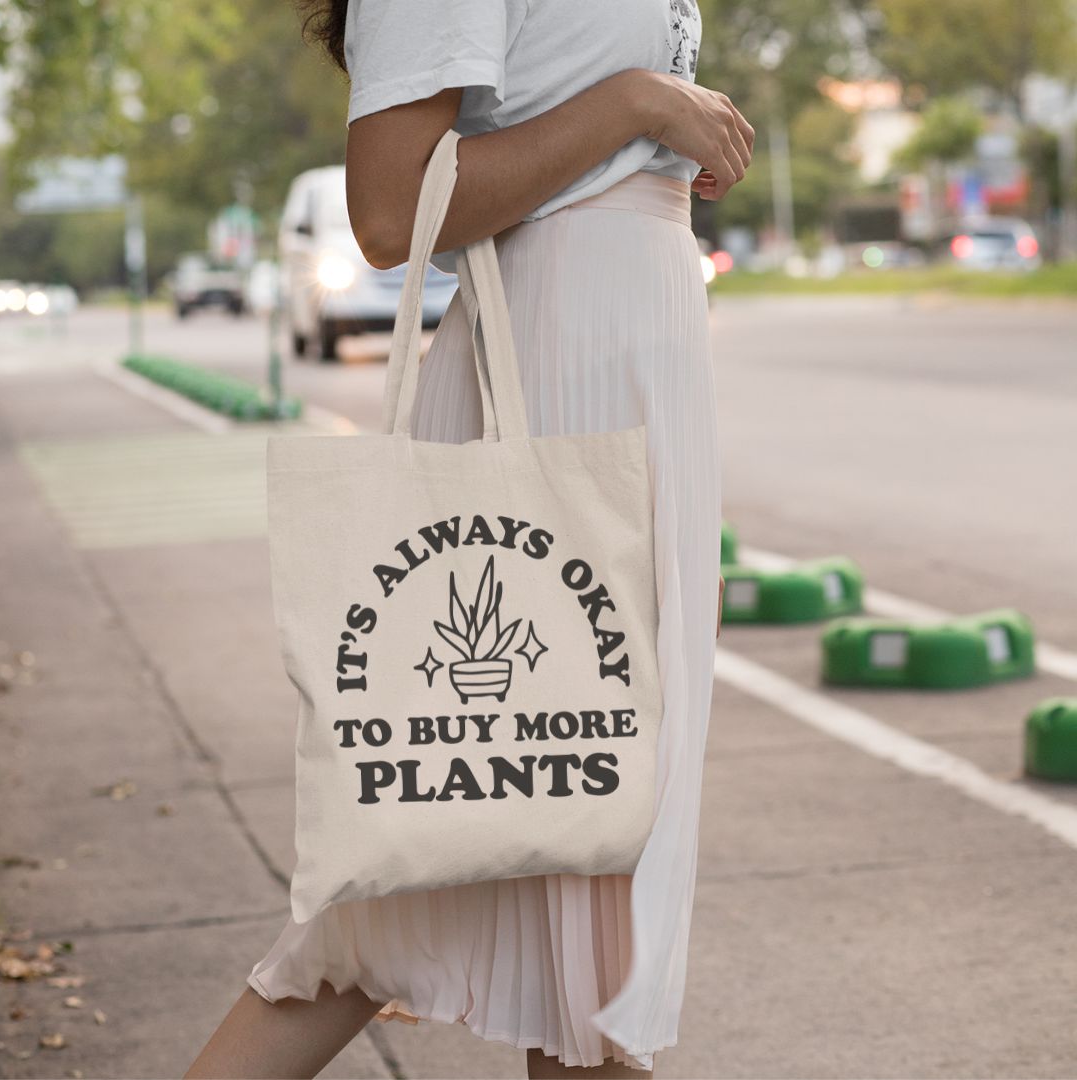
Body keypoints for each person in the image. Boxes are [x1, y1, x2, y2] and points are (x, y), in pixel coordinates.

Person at [186, 1, 747, 1076]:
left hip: (626, 390)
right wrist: (637, 102)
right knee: (581, 909)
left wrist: (690, 516)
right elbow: (392, 210)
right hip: (550, 389)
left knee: (494, 904)